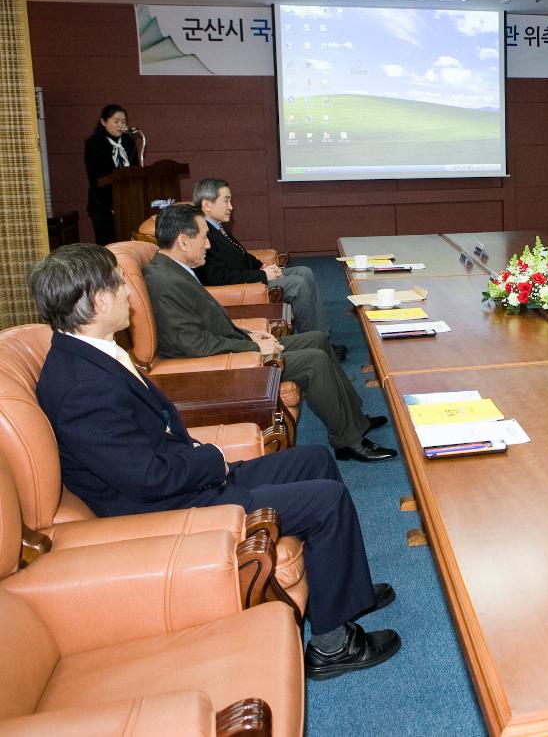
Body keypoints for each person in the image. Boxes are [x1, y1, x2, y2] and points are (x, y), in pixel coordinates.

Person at [30, 243, 401, 679]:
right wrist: (212, 462)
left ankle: (341, 592)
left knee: (315, 459)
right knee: (326, 501)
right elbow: (147, 480)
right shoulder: (80, 387)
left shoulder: (92, 352)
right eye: (119, 287)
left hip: (184, 478)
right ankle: (332, 646)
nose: (130, 295)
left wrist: (204, 460)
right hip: (167, 507)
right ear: (98, 301)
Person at [143, 204, 394, 463]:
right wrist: (252, 348)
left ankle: (356, 419)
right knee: (313, 361)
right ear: (183, 241)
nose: (208, 245)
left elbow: (206, 323)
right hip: (212, 369)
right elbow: (192, 344)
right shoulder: (165, 282)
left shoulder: (173, 271)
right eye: (204, 237)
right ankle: (349, 441)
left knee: (316, 339)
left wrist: (250, 334)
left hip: (230, 346)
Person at [192, 177, 337, 352]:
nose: (231, 207)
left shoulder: (217, 227)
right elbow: (219, 278)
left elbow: (241, 255)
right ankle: (315, 343)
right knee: (297, 284)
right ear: (207, 204)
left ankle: (322, 337)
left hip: (250, 277)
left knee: (304, 272)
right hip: (240, 287)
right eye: (226, 201)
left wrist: (262, 266)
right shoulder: (202, 234)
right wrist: (263, 275)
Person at [84, 104, 138, 245]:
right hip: (103, 206)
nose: (121, 125)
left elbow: (136, 172)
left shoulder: (129, 142)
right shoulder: (94, 143)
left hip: (129, 205)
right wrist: (112, 205)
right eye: (116, 121)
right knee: (109, 245)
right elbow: (96, 177)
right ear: (103, 122)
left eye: (123, 121)